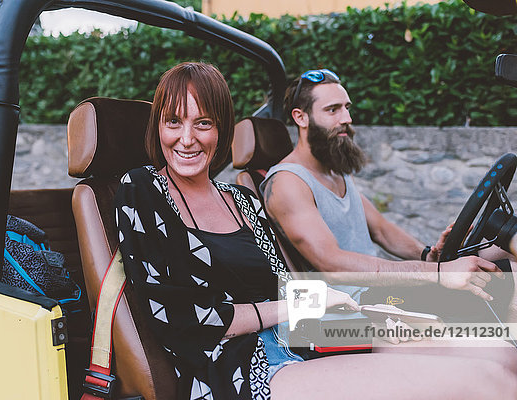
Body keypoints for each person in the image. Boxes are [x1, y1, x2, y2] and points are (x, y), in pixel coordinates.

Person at [114, 62, 517, 399]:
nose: (187, 139)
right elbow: (183, 318)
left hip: (306, 331)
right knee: (487, 384)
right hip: (239, 367)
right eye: (173, 122)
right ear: (158, 126)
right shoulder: (142, 189)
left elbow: (287, 285)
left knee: (503, 360)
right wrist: (296, 306)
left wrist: (356, 301)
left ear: (220, 128)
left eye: (202, 122)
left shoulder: (242, 200)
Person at [260, 69, 517, 319]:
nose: (346, 118)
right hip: (351, 306)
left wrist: (427, 254)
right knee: (507, 280)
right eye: (332, 109)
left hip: (377, 290)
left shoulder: (334, 170)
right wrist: (437, 273)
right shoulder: (287, 182)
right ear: (301, 117)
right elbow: (333, 265)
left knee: (500, 254)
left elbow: (381, 229)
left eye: (347, 107)